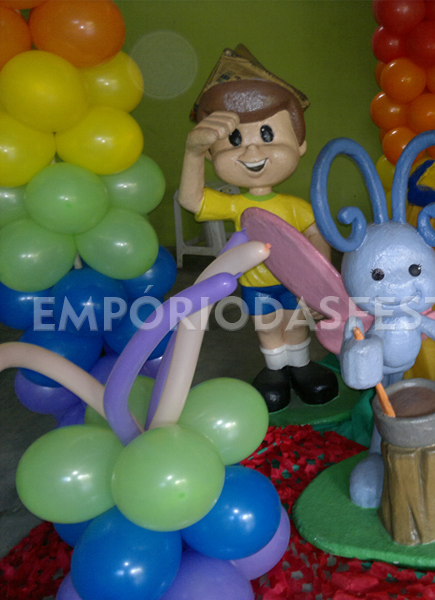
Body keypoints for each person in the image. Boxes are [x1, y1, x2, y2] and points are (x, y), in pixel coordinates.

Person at [178, 58, 337, 412]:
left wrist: (318, 281)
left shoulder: (295, 206)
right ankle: (276, 369)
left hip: (294, 283)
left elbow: (316, 236)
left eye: (267, 135)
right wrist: (192, 153)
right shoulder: (236, 205)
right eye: (235, 140)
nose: (251, 151)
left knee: (296, 326)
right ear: (212, 155)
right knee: (266, 328)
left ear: (299, 144)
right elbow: (192, 199)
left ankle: (300, 365)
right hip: (256, 285)